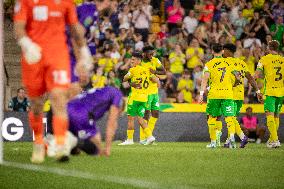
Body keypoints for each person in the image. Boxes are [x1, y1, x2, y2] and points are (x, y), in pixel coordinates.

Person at [14, 0, 93, 163]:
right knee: (37, 105)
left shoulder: (66, 3)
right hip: (33, 56)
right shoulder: (26, 1)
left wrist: (84, 51)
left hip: (58, 57)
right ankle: (38, 143)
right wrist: (27, 44)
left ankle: (60, 145)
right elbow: (18, 28)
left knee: (58, 98)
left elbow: (74, 29)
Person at [46, 86, 124, 157]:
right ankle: (71, 141)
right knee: (96, 149)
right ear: (121, 106)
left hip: (66, 109)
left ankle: (64, 142)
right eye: (119, 113)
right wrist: (107, 148)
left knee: (76, 150)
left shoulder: (103, 91)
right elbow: (111, 123)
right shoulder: (118, 95)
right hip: (80, 112)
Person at [222, 43, 263, 148]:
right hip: (240, 95)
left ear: (228, 51)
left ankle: (238, 138)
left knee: (230, 118)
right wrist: (258, 91)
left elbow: (235, 77)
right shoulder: (242, 63)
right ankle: (230, 140)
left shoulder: (225, 62)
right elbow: (250, 78)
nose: (222, 52)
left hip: (230, 94)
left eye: (224, 50)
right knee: (232, 118)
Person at [198, 43, 238, 148]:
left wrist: (201, 94)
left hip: (214, 94)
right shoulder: (229, 62)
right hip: (227, 94)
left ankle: (213, 142)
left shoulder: (209, 64)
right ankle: (232, 137)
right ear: (222, 51)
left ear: (212, 51)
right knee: (229, 116)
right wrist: (232, 84)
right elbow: (238, 77)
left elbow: (205, 80)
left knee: (212, 117)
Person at [118, 52, 157, 145]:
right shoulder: (147, 70)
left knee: (131, 119)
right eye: (131, 59)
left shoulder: (133, 70)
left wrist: (131, 81)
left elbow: (124, 79)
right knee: (141, 119)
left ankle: (130, 140)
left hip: (134, 97)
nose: (131, 61)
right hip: (144, 98)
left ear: (139, 61)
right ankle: (150, 136)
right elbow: (155, 80)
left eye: (133, 59)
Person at [255, 40, 284, 148]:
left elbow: (256, 75)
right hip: (281, 92)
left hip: (270, 92)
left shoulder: (264, 59)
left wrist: (255, 87)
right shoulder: (283, 60)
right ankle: (272, 140)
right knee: (276, 116)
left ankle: (275, 140)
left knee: (270, 116)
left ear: (268, 47)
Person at [139, 46, 166, 144]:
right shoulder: (140, 63)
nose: (152, 56)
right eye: (150, 54)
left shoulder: (155, 60)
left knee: (155, 114)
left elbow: (163, 72)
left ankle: (148, 136)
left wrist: (155, 72)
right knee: (146, 115)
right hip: (145, 93)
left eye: (153, 54)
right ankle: (143, 138)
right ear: (144, 53)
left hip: (155, 92)